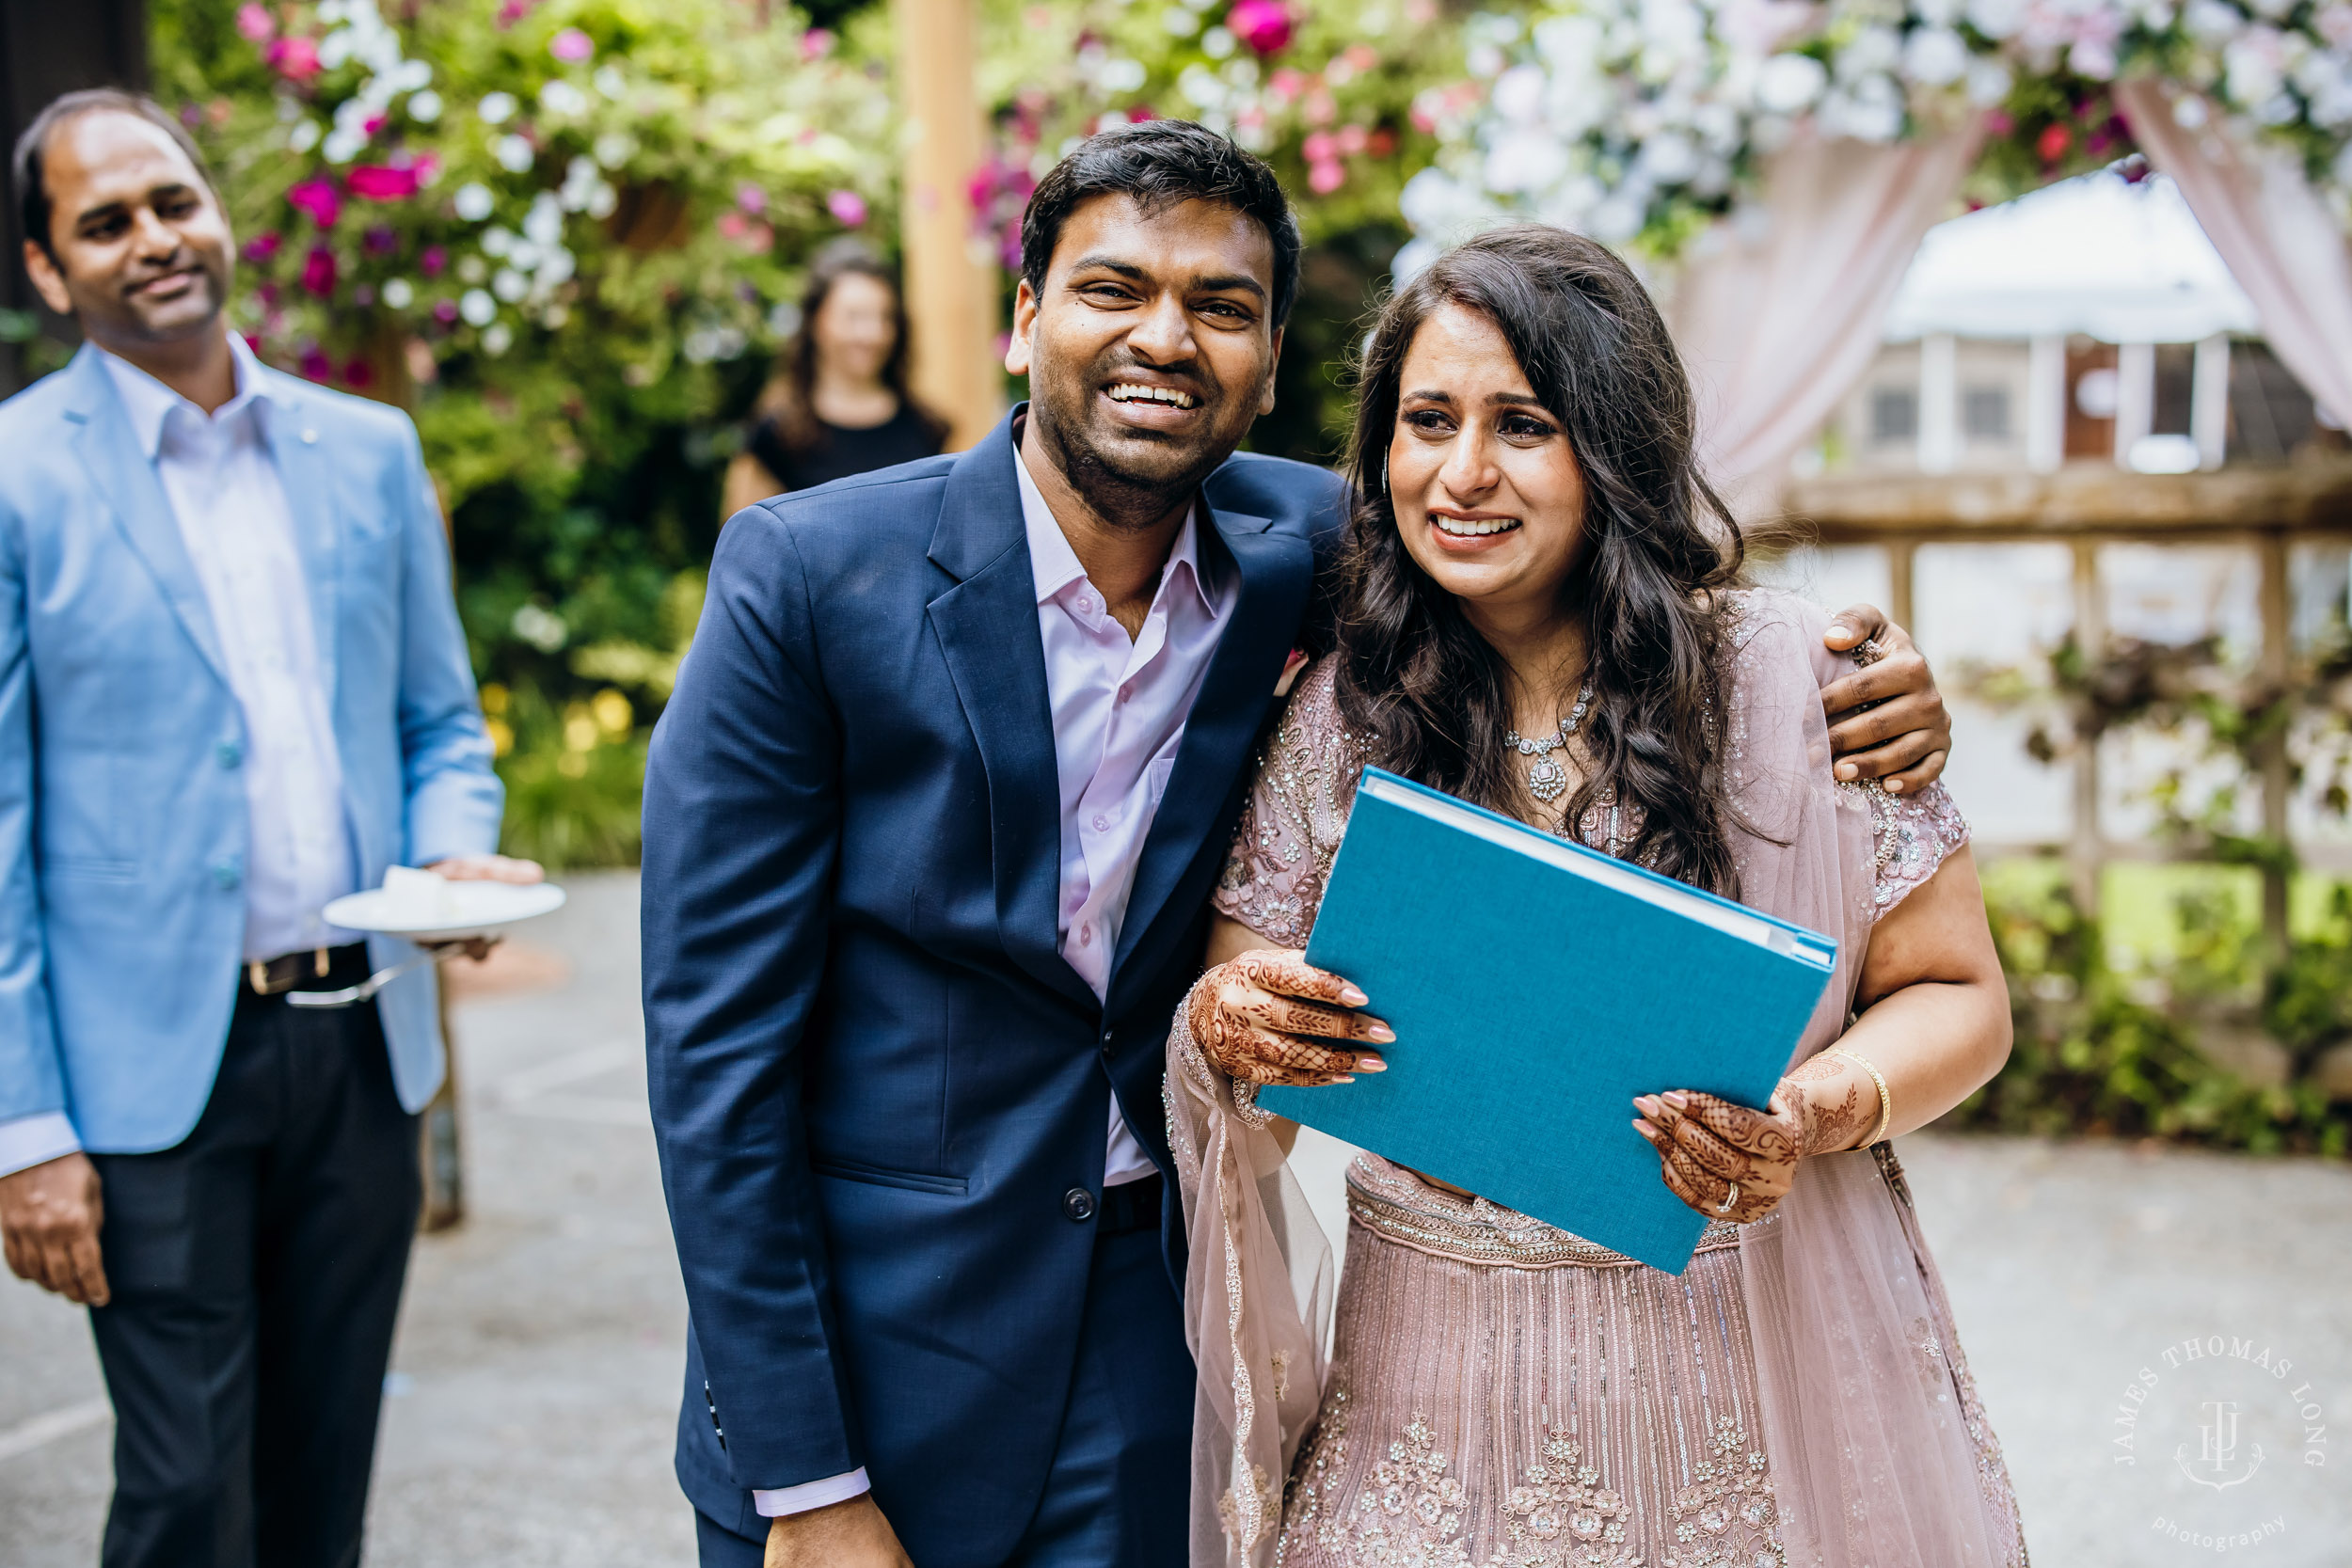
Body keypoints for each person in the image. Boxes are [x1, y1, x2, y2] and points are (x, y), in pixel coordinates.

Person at [641, 122, 1955, 1568]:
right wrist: (808, 1476)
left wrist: (1866, 678)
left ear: (1270, 362)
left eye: (1219, 305)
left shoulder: (1326, 549)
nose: (1164, 337)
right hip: (881, 1347)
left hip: (1151, 1336)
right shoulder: (808, 577)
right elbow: (716, 1055)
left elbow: (1555, 571)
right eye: (1112, 288)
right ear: (1025, 316)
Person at [1172, 226, 2028, 1568]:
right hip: (1424, 1406)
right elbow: (1255, 1052)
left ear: (1614, 445)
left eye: (1522, 425)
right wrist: (1233, 1027)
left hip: (1731, 1393)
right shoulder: (1346, 710)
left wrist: (1810, 1111)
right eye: (1427, 421)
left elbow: (1957, 991)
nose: (1462, 473)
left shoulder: (1797, 680)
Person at [0, 89, 538, 1568]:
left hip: (361, 1047)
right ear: (49, 268)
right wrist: (24, 1129)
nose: (154, 239)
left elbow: (439, 724)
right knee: (186, 1492)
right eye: (105, 222)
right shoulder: (16, 475)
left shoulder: (366, 448)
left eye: (173, 201)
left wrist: (451, 852)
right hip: (142, 1074)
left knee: (321, 1484)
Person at [719, 239, 948, 516]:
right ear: (816, 321)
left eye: (884, 317)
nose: (873, 333)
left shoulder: (926, 428)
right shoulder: (777, 435)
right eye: (854, 317)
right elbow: (743, 536)